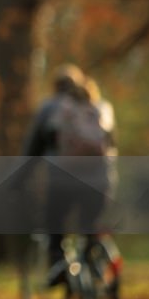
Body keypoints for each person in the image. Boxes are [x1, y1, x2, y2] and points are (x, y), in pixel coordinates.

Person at [22, 65, 111, 287]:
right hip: (100, 181)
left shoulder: (50, 108)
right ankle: (97, 269)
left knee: (53, 221)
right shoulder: (99, 107)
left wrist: (17, 181)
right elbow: (111, 145)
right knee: (90, 226)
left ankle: (58, 264)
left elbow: (32, 151)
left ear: (55, 86)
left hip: (62, 181)